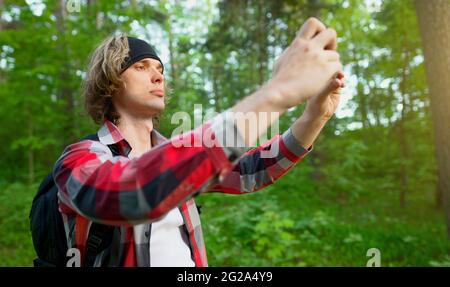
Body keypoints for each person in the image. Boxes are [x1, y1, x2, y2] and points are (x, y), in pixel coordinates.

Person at [52, 17, 345, 267]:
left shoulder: (179, 152)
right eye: (140, 67)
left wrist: (314, 117)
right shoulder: (78, 159)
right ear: (110, 81)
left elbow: (253, 170)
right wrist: (277, 93)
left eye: (160, 69)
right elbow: (131, 192)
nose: (157, 76)